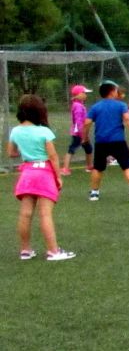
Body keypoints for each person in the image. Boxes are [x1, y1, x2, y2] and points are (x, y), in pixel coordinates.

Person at [9, 94, 74, 261]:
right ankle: (53, 251)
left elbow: (11, 153)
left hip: (27, 173)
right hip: (44, 173)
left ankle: (25, 250)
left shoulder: (15, 131)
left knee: (25, 214)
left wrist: (25, 151)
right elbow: (53, 157)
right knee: (45, 214)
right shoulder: (44, 131)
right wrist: (58, 177)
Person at [83, 81, 129, 203]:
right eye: (116, 90)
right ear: (112, 92)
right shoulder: (120, 105)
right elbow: (128, 119)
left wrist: (84, 137)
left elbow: (87, 123)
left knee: (98, 168)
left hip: (101, 142)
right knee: (127, 165)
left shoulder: (96, 107)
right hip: (118, 141)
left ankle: (94, 193)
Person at [61, 84, 92, 175]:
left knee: (88, 148)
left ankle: (89, 166)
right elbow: (78, 121)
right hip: (79, 133)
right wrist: (82, 135)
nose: (85, 95)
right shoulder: (78, 106)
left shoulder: (79, 105)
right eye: (84, 93)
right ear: (78, 94)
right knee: (72, 149)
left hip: (82, 132)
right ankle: (65, 168)